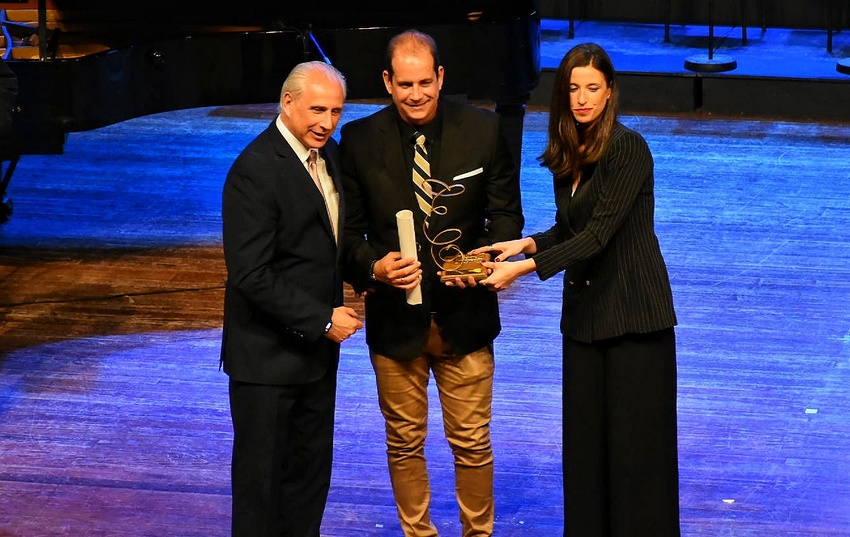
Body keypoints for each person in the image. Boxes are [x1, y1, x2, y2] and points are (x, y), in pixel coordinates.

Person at [473, 43, 680, 536]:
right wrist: (525, 243)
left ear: (609, 92)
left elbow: (598, 236)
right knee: (586, 453)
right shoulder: (573, 152)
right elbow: (573, 226)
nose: (582, 98)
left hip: (634, 321)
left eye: (592, 88)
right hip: (586, 321)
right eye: (573, 89)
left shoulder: (627, 147)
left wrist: (521, 271)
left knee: (635, 459)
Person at [339, 30, 524, 537]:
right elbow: (346, 235)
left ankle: (477, 534)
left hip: (466, 318)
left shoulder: (484, 132)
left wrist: (486, 262)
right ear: (386, 82)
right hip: (396, 322)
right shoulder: (356, 141)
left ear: (441, 78)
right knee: (403, 442)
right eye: (404, 84)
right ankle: (417, 533)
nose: (416, 93)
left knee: (472, 442)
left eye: (425, 81)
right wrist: (374, 268)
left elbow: (506, 215)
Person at [220, 61, 363, 536]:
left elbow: (332, 245)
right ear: (287, 103)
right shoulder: (255, 171)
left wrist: (373, 268)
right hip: (267, 363)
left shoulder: (329, 155)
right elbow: (251, 274)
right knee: (262, 493)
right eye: (317, 109)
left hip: (316, 360)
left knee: (307, 484)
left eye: (336, 112)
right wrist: (323, 319)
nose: (326, 121)